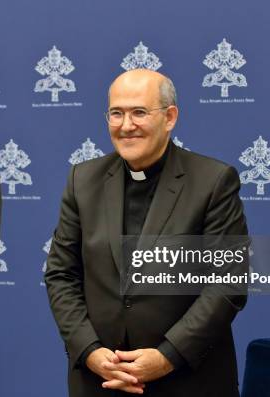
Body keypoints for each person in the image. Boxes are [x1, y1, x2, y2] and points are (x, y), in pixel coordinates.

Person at [44, 68, 248, 396]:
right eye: (116, 113)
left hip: (187, 379)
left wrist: (168, 356)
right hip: (101, 378)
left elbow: (227, 284)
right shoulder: (82, 181)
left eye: (139, 112)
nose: (126, 126)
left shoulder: (213, 181)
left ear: (170, 117)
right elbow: (61, 275)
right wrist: (89, 350)